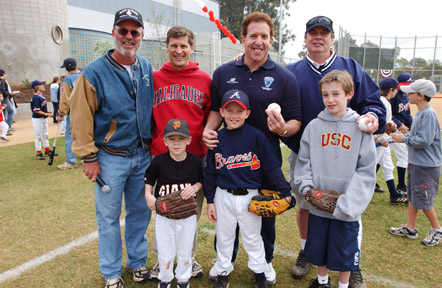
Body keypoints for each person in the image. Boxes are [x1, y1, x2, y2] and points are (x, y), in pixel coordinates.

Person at [285, 16, 385, 287]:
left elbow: (374, 103)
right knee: (307, 206)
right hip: (307, 152)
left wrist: (374, 116)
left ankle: (351, 263)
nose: (318, 37)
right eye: (312, 33)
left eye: (324, 33)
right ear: (305, 39)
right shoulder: (291, 70)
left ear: (331, 39)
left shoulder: (350, 67)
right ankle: (308, 251)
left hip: (348, 153)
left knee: (350, 212)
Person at [203, 11, 301, 285]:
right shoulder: (224, 72)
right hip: (229, 151)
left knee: (264, 211)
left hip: (265, 151)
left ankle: (264, 262)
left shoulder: (284, 77)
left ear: (271, 41)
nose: (259, 41)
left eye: (264, 36)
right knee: (227, 212)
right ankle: (225, 263)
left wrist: (282, 128)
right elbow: (215, 110)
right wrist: (208, 131)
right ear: (243, 38)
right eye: (253, 36)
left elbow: (295, 121)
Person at [69, 8, 153, 288]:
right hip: (109, 159)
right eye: (123, 31)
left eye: (134, 32)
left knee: (140, 213)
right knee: (108, 218)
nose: (129, 37)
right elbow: (80, 117)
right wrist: (88, 157)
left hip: (142, 156)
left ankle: (138, 263)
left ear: (141, 36)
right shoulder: (94, 72)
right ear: (113, 33)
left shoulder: (146, 67)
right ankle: (111, 273)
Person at [294, 70, 376, 288]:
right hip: (318, 203)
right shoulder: (314, 126)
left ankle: (343, 285)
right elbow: (304, 162)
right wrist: (308, 190)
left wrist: (348, 203)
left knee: (344, 253)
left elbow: (366, 169)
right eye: (325, 94)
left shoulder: (360, 129)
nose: (330, 99)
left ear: (349, 94)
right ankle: (322, 282)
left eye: (336, 94)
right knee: (319, 249)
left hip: (346, 207)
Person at [204, 89, 293, 288]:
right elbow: (210, 172)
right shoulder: (217, 138)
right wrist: (210, 200)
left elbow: (271, 167)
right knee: (224, 237)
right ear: (222, 112)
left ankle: (260, 274)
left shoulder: (256, 137)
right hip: (223, 196)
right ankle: (223, 273)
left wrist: (285, 191)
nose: (234, 115)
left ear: (248, 113)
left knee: (253, 238)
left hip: (250, 197)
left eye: (239, 111)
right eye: (230, 110)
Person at [149, 25, 211, 280]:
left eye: (183, 45)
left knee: (188, 214)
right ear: (167, 47)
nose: (178, 50)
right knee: (163, 211)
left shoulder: (205, 79)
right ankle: (161, 262)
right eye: (174, 45)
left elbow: (212, 112)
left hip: (194, 156)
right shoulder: (154, 78)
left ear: (191, 48)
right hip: (161, 157)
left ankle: (189, 259)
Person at [145, 119, 203, 288]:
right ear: (165, 141)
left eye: (181, 139)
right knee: (165, 248)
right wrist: (148, 195)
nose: (176, 143)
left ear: (189, 140)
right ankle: (165, 279)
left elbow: (200, 181)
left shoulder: (194, 161)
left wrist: (194, 188)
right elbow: (149, 180)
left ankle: (183, 279)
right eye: (172, 139)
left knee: (185, 248)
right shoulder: (158, 161)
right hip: (165, 213)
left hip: (187, 214)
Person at [389, 79, 442, 247]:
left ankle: (437, 229)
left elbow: (424, 140)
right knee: (413, 196)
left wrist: (403, 138)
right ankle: (410, 228)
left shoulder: (428, 114)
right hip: (416, 162)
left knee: (423, 199)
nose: (407, 95)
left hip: (426, 165)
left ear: (420, 96)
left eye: (411, 93)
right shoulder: (420, 112)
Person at [375, 77, 408, 204]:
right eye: (395, 90)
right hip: (379, 140)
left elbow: (388, 123)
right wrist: (390, 133)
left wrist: (394, 128)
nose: (396, 92)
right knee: (371, 166)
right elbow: (385, 124)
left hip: (383, 140)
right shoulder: (385, 103)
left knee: (388, 165)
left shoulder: (381, 101)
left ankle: (394, 195)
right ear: (391, 90)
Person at [389, 73, 413, 194]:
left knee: (382, 156)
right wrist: (399, 124)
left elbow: (407, 114)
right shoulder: (394, 95)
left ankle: (373, 183)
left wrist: (413, 127)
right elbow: (389, 114)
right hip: (392, 128)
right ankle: (401, 186)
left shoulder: (406, 96)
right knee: (403, 156)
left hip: (398, 128)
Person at [56, 58, 80, 170]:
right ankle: (87, 156)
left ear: (66, 68)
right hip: (89, 110)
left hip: (74, 111)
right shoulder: (84, 76)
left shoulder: (66, 81)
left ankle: (71, 161)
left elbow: (64, 99)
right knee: (89, 133)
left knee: (70, 136)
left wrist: (61, 113)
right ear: (76, 66)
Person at [30, 80, 53, 160]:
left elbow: (41, 108)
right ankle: (38, 152)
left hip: (43, 118)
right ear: (36, 87)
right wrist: (47, 114)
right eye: (41, 85)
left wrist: (47, 112)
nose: (43, 86)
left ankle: (47, 150)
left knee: (45, 134)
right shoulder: (36, 97)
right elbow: (36, 110)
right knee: (38, 136)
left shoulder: (41, 96)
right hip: (37, 119)